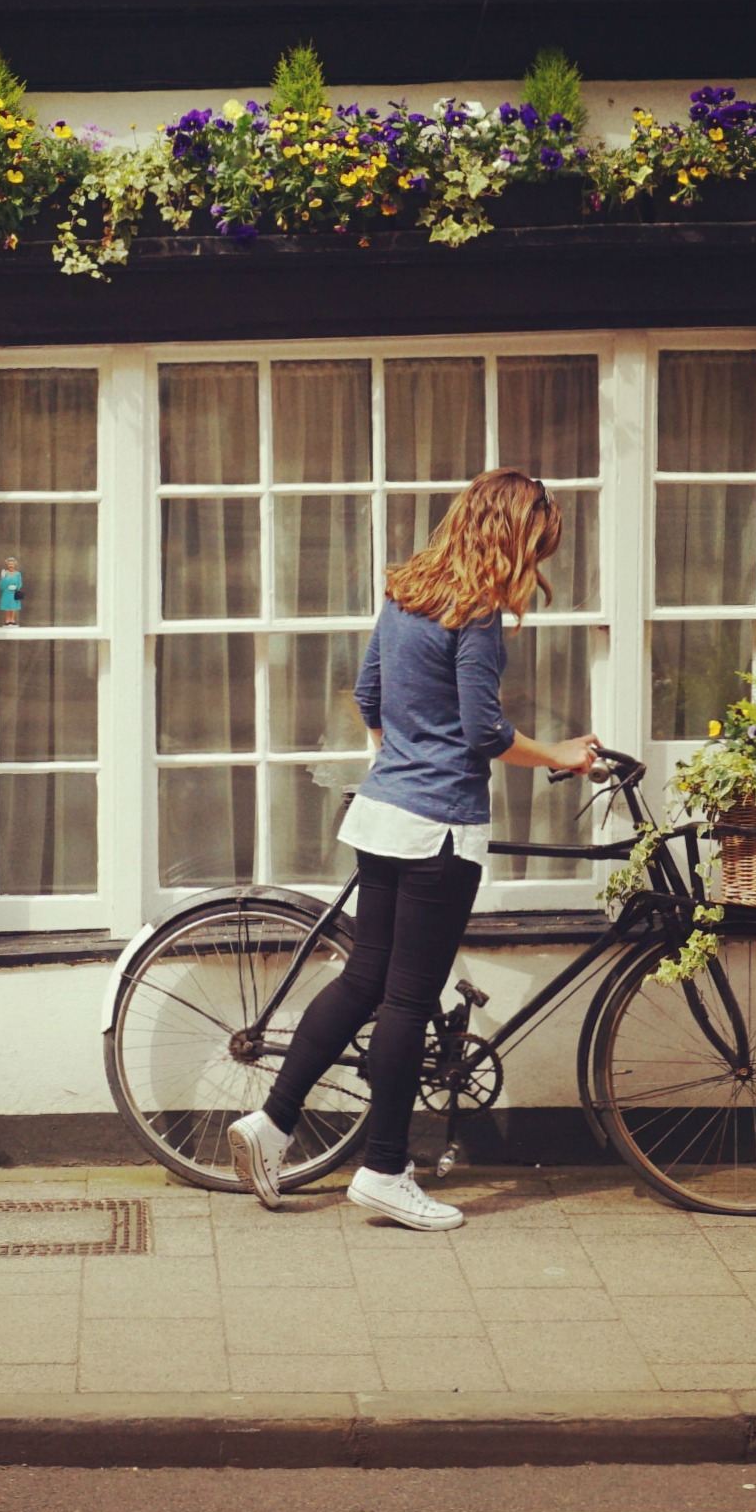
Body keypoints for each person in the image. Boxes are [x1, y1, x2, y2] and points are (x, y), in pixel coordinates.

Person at [227, 468, 597, 1232]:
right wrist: (560, 754)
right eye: (537, 547)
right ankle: (386, 1171)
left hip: (383, 816)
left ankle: (271, 1125)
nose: (538, 565)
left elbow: (369, 696)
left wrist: (400, 762)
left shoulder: (406, 594)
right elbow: (483, 733)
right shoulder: (479, 612)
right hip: (437, 831)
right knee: (405, 997)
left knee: (365, 978)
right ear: (509, 537)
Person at [0, 556, 24, 626]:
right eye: (9, 564)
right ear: (7, 565)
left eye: (12, 564)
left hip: (14, 593)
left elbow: (20, 583)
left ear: (14, 565)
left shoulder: (18, 574)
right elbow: (1, 585)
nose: (10, 566)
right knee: (7, 606)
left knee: (13, 606)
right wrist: (3, 578)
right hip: (7, 592)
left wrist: (16, 587)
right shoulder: (5, 573)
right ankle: (7, 619)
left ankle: (12, 619)